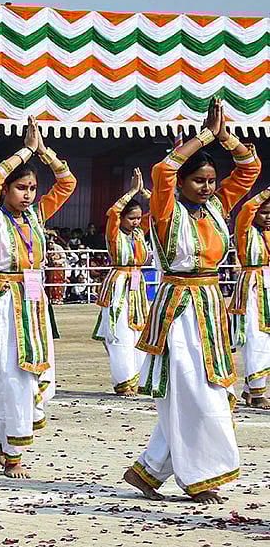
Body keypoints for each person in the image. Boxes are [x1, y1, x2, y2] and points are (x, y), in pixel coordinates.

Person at [125, 98, 260, 504]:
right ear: (182, 184)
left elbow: (249, 169)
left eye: (211, 179)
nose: (208, 186)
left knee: (202, 391)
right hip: (180, 311)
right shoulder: (167, 213)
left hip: (209, 307)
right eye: (198, 180)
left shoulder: (216, 208)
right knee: (195, 392)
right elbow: (162, 170)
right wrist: (203, 136)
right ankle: (199, 477)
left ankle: (149, 472)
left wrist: (226, 137)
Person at [0, 116, 77, 479]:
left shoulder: (36, 217)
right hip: (4, 305)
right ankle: (12, 453)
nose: (28, 194)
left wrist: (44, 151)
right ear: (6, 192)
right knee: (12, 377)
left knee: (40, 380)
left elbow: (67, 182)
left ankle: (0, 437)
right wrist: (24, 151)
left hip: (33, 302)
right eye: (21, 188)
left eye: (32, 187)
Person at [92, 168, 152, 396]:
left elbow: (159, 210)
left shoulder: (139, 234)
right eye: (132, 218)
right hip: (119, 287)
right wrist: (131, 192)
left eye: (138, 218)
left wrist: (144, 192)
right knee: (120, 334)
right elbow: (113, 212)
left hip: (137, 289)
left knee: (138, 333)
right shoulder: (114, 233)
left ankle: (137, 378)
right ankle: (124, 381)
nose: (137, 222)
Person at [230, 186, 270, 408]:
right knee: (256, 339)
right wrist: (266, 192)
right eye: (264, 213)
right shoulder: (245, 230)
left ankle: (250, 390)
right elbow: (246, 208)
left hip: (269, 290)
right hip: (252, 291)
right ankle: (256, 394)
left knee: (267, 342)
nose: (268, 218)